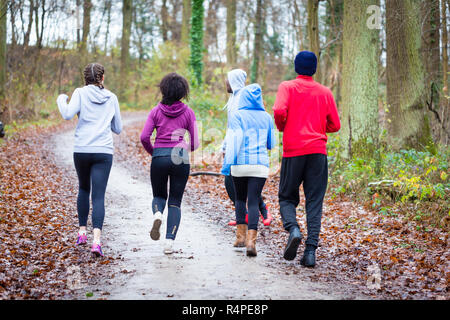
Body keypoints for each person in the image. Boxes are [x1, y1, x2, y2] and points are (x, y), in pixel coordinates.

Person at [273, 51, 341, 267]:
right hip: (317, 152)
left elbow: (278, 110)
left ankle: (293, 229)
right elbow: (335, 125)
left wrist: (284, 126)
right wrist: (321, 127)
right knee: (314, 201)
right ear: (314, 68)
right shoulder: (325, 92)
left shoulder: (287, 87)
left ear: (296, 67)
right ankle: (310, 253)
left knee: (286, 197)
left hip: (293, 150)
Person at [57, 62, 123, 257]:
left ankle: (81, 233)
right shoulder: (112, 98)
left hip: (82, 149)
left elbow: (67, 114)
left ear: (85, 79)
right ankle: (96, 242)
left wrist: (62, 98)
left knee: (83, 188)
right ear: (102, 78)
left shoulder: (79, 92)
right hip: (103, 151)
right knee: (99, 196)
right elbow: (118, 128)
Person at [140, 73, 199, 254]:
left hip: (159, 156)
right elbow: (195, 143)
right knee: (175, 201)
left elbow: (144, 137)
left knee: (159, 196)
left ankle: (158, 214)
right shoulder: (188, 112)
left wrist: (155, 152)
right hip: (180, 157)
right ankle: (169, 243)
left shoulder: (155, 111)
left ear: (163, 89)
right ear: (183, 92)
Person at [221, 84, 276, 257]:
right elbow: (271, 144)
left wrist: (227, 164)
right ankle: (252, 242)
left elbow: (234, 142)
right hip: (259, 166)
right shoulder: (267, 117)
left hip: (240, 164)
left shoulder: (237, 116)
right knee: (253, 201)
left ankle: (240, 238)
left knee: (239, 199)